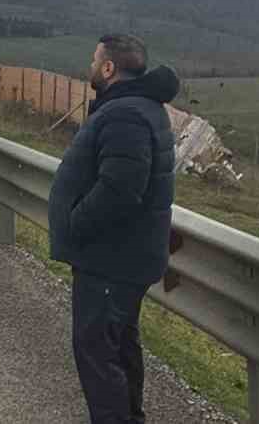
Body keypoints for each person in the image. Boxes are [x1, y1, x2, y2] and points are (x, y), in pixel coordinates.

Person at [49, 34, 176, 424]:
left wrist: (75, 224)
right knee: (118, 348)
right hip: (121, 256)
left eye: (94, 59)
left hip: (110, 259)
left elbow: (120, 189)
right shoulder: (138, 108)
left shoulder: (124, 114)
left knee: (99, 356)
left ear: (109, 68)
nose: (90, 66)